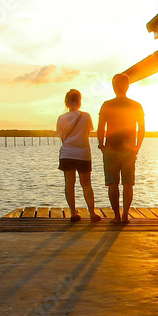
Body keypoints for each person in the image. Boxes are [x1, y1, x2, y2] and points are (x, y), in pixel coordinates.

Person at [97, 73, 145, 224]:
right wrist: (137, 146)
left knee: (112, 183)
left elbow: (100, 128)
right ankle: (125, 215)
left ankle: (116, 216)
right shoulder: (136, 105)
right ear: (127, 86)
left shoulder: (107, 105)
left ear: (114, 87)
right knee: (128, 183)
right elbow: (142, 129)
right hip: (129, 149)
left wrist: (102, 145)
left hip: (111, 148)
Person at [56, 89, 101, 222]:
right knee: (86, 184)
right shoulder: (86, 116)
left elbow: (62, 137)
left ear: (67, 102)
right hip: (83, 153)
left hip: (67, 153)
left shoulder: (62, 118)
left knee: (69, 184)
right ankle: (92, 213)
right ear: (79, 102)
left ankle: (73, 213)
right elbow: (87, 132)